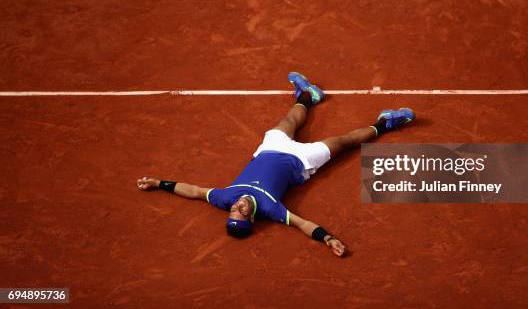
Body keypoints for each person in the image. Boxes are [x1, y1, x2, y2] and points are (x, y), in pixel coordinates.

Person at [137, 72, 414, 257]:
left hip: (269, 150)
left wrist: (159, 183)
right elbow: (303, 223)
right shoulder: (270, 209)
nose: (237, 207)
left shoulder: (225, 198)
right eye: (241, 213)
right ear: (251, 217)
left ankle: (308, 95)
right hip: (302, 162)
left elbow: (194, 191)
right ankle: (385, 123)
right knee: (343, 142)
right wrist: (328, 239)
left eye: (233, 211)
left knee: (288, 121)